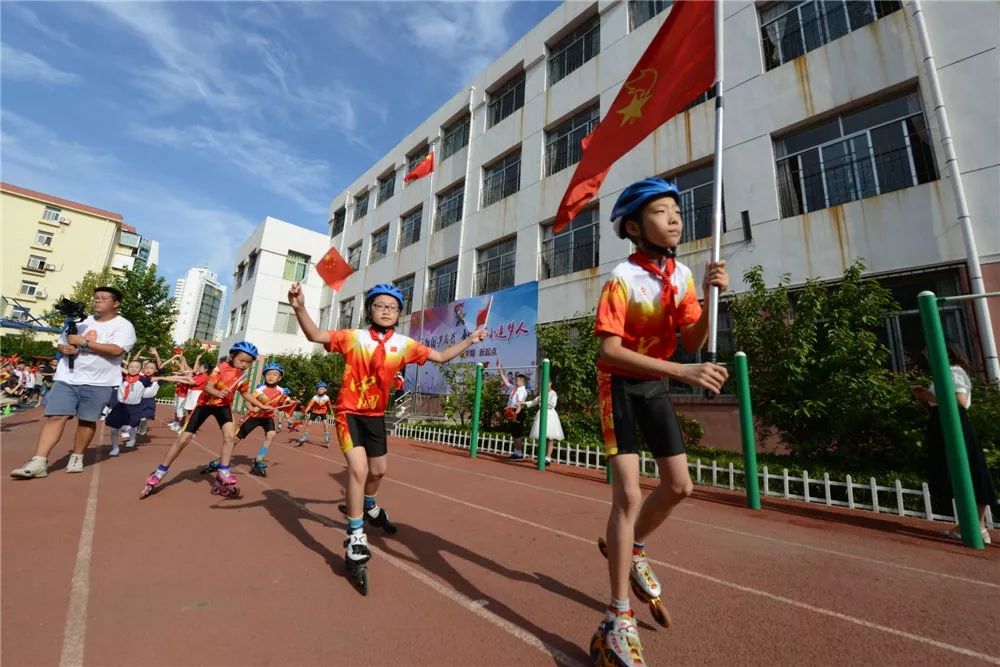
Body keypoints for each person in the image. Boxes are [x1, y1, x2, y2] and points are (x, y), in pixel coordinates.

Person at [591, 178, 729, 666]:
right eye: (661, 211)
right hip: (620, 386)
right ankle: (618, 617)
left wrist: (712, 300)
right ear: (633, 226)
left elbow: (692, 339)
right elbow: (609, 349)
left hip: (655, 385)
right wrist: (682, 372)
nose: (675, 218)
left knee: (679, 487)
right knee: (628, 494)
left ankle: (633, 550)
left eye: (677, 209)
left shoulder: (684, 275)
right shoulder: (621, 278)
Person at [288, 281, 487, 577]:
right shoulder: (353, 337)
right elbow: (316, 335)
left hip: (376, 415)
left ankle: (369, 504)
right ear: (370, 310)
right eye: (379, 305)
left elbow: (442, 357)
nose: (385, 310)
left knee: (378, 471)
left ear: (398, 313)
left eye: (392, 307)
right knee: (358, 470)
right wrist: (300, 308)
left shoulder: (404, 345)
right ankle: (356, 536)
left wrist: (470, 340)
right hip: (349, 413)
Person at [11, 286, 136, 478]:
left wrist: (84, 342)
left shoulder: (124, 326)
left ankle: (77, 456)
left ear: (116, 303)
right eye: (95, 298)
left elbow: (116, 350)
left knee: (87, 420)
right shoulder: (80, 321)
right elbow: (62, 342)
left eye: (103, 298)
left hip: (99, 382)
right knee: (55, 416)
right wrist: (65, 348)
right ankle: (39, 461)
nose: (97, 301)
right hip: (68, 377)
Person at [140, 342, 264, 498]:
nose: (245, 364)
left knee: (230, 437)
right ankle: (159, 472)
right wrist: (216, 393)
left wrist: (261, 405)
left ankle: (223, 471)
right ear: (232, 356)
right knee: (184, 439)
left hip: (223, 408)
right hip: (205, 405)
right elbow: (208, 386)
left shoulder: (242, 375)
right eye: (242, 360)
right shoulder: (221, 368)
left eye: (248, 362)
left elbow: (245, 394)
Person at [911, 345, 996, 545]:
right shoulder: (943, 374)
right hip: (943, 422)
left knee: (970, 469)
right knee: (956, 471)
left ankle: (978, 525)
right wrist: (927, 400)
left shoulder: (953, 372)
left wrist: (927, 397)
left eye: (929, 355)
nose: (928, 360)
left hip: (954, 423)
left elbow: (959, 400)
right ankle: (972, 523)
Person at [238, 362, 295, 477]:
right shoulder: (260, 390)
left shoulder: (282, 391)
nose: (271, 376)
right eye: (268, 374)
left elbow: (284, 403)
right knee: (236, 438)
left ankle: (259, 458)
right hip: (255, 417)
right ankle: (222, 459)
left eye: (275, 374)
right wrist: (252, 409)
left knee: (271, 435)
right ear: (264, 376)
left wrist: (291, 402)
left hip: (267, 418)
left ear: (280, 377)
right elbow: (248, 402)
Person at [524, 380, 563, 465]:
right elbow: (533, 402)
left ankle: (548, 458)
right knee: (541, 437)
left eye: (548, 383)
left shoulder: (553, 393)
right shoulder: (542, 393)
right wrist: (523, 403)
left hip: (550, 416)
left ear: (551, 384)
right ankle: (541, 457)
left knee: (550, 438)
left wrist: (544, 400)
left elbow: (553, 404)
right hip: (542, 414)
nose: (546, 385)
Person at [498, 363, 529, 461]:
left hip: (517, 413)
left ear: (521, 381)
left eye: (517, 380)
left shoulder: (522, 391)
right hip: (512, 412)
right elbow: (507, 383)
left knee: (518, 434)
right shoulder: (515, 389)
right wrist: (501, 373)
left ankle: (519, 454)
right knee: (514, 434)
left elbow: (519, 405)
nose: (515, 381)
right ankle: (516, 452)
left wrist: (515, 416)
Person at [296, 382, 332, 447]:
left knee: (325, 423)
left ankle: (327, 436)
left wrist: (331, 411)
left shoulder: (327, 398)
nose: (320, 390)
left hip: (323, 411)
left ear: (325, 390)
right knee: (309, 423)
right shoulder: (315, 397)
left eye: (322, 389)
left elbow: (329, 405)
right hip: (315, 411)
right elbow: (310, 405)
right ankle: (304, 437)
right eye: (318, 389)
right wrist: (306, 411)